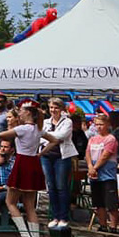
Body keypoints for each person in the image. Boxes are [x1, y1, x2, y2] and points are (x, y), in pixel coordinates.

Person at [0, 102, 60, 237]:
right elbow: (55, 141)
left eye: (22, 111)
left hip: (22, 163)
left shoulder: (22, 128)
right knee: (29, 206)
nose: (19, 113)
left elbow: (1, 135)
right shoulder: (38, 129)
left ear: (29, 114)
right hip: (33, 163)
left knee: (10, 202)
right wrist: (40, 153)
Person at [41, 97, 78, 228]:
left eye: (56, 107)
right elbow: (40, 137)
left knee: (61, 187)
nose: (53, 110)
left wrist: (48, 136)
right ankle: (55, 216)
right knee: (51, 187)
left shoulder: (67, 121)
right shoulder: (45, 122)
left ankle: (63, 217)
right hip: (46, 156)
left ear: (61, 109)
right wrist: (51, 136)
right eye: (51, 107)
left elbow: (62, 136)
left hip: (62, 157)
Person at [85, 114, 119, 234]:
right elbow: (88, 153)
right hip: (95, 175)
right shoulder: (92, 139)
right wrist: (90, 167)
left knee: (111, 202)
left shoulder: (111, 139)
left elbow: (106, 155)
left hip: (107, 174)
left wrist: (95, 167)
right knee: (98, 202)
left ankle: (113, 226)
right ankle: (102, 224)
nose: (99, 127)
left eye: (101, 124)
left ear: (107, 125)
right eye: (97, 124)